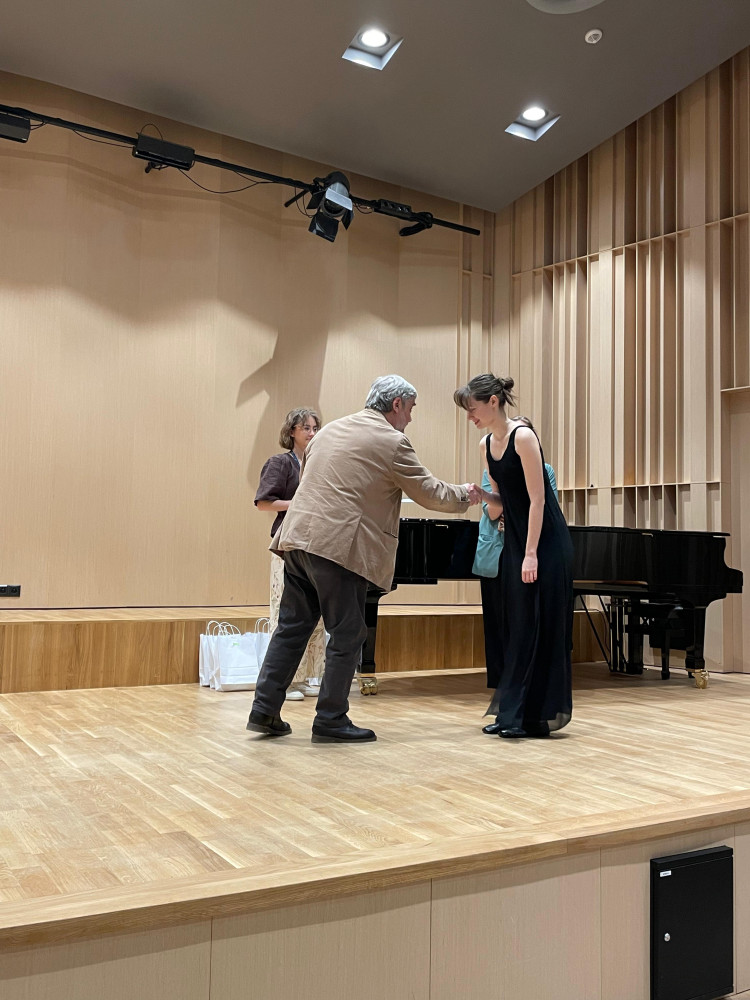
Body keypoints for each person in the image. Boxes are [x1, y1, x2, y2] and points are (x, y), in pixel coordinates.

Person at [247, 375, 480, 744]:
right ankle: (330, 719)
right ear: (397, 404)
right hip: (337, 548)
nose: (411, 418)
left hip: (297, 541)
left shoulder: (330, 430)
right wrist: (466, 493)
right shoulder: (391, 441)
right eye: (411, 409)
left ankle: (263, 710)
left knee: (292, 628)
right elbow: (429, 492)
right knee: (348, 632)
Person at [455, 374, 573, 738]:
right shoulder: (485, 444)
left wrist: (531, 554)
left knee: (539, 626)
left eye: (472, 409)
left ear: (493, 401)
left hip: (544, 542)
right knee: (518, 627)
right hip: (517, 542)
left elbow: (538, 500)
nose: (470, 416)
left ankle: (534, 717)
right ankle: (513, 714)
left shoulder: (523, 436)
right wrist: (483, 496)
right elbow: (504, 502)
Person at [473, 415, 558, 692]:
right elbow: (492, 511)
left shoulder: (545, 470)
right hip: (497, 552)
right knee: (497, 621)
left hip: (527, 549)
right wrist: (505, 502)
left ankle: (526, 683)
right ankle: (500, 685)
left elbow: (546, 507)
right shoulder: (493, 467)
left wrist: (517, 510)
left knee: (526, 620)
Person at [254, 407, 325, 700]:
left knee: (316, 617)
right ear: (292, 431)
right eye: (306, 427)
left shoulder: (320, 462)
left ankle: (308, 676)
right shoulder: (280, 463)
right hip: (286, 545)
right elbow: (264, 503)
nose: (311, 432)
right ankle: (288, 681)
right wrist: (298, 504)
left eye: (315, 428)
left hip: (315, 545)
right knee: (286, 614)